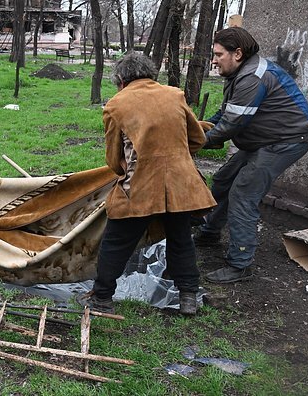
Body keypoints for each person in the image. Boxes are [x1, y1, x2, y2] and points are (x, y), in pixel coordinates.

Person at [78, 54, 216, 316]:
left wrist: (126, 171)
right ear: (150, 74)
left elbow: (113, 158)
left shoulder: (116, 105)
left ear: (120, 80)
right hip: (182, 184)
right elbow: (197, 139)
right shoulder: (174, 94)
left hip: (139, 186)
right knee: (181, 239)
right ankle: (188, 297)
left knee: (116, 242)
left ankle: (102, 298)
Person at [196, 27, 308, 283]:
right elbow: (226, 115)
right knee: (223, 180)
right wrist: (200, 128)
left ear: (237, 53)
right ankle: (209, 233)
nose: (214, 60)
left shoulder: (253, 77)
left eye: (218, 54)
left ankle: (239, 265)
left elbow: (231, 126)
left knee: (243, 193)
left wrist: (193, 143)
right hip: (264, 140)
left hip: (285, 141)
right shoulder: (240, 73)